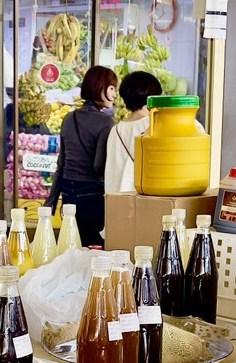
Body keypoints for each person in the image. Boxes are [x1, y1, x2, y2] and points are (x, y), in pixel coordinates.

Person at [45, 66, 118, 244]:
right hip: (91, 194)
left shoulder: (69, 118)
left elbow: (61, 163)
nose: (115, 94)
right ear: (100, 88)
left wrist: (51, 202)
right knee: (93, 247)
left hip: (68, 192)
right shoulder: (106, 122)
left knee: (73, 244)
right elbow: (98, 166)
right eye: (112, 88)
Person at [104, 71, 163, 193]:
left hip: (119, 199)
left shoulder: (115, 130)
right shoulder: (154, 124)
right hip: (147, 197)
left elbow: (112, 169)